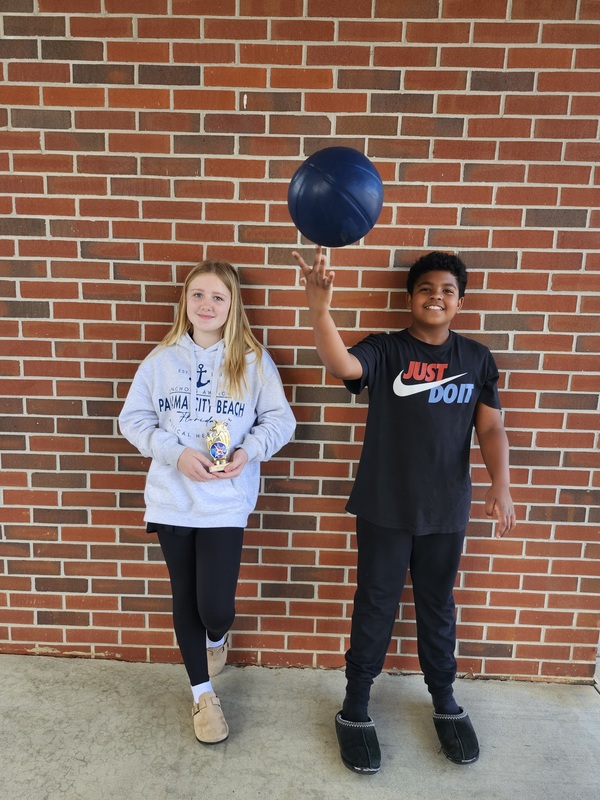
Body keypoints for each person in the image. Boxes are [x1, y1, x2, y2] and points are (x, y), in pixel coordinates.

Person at [293, 245, 516, 774]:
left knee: (438, 606)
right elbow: (341, 363)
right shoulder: (387, 350)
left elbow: (491, 427)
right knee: (376, 603)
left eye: (447, 291)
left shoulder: (477, 359)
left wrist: (501, 483)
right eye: (426, 289)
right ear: (409, 298)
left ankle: (444, 700)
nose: (436, 297)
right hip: (385, 505)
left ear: (459, 302)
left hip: (445, 509)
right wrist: (320, 309)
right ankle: (355, 708)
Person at [119, 260, 296, 745]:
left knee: (214, 605)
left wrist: (248, 451)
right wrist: (174, 453)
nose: (207, 305)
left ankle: (217, 637)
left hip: (224, 502)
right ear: (185, 302)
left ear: (232, 305)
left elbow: (281, 422)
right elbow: (132, 420)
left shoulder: (254, 360)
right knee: (184, 599)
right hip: (172, 499)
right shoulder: (160, 362)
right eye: (198, 295)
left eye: (218, 296)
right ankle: (203, 695)